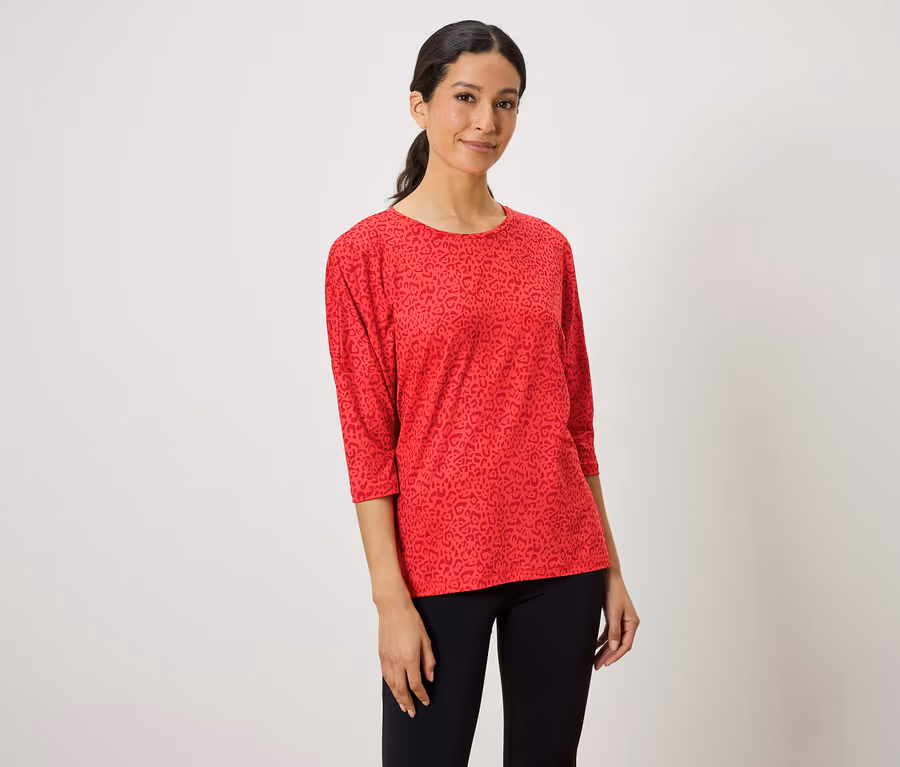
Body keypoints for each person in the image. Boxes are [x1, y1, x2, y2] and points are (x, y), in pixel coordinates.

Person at [324, 19, 640, 767]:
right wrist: (389, 601)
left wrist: (611, 565)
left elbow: (577, 424)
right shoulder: (364, 255)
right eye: (465, 97)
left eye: (506, 102)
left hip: (561, 556)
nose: (486, 121)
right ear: (420, 104)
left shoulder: (547, 249)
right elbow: (368, 445)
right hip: (437, 568)